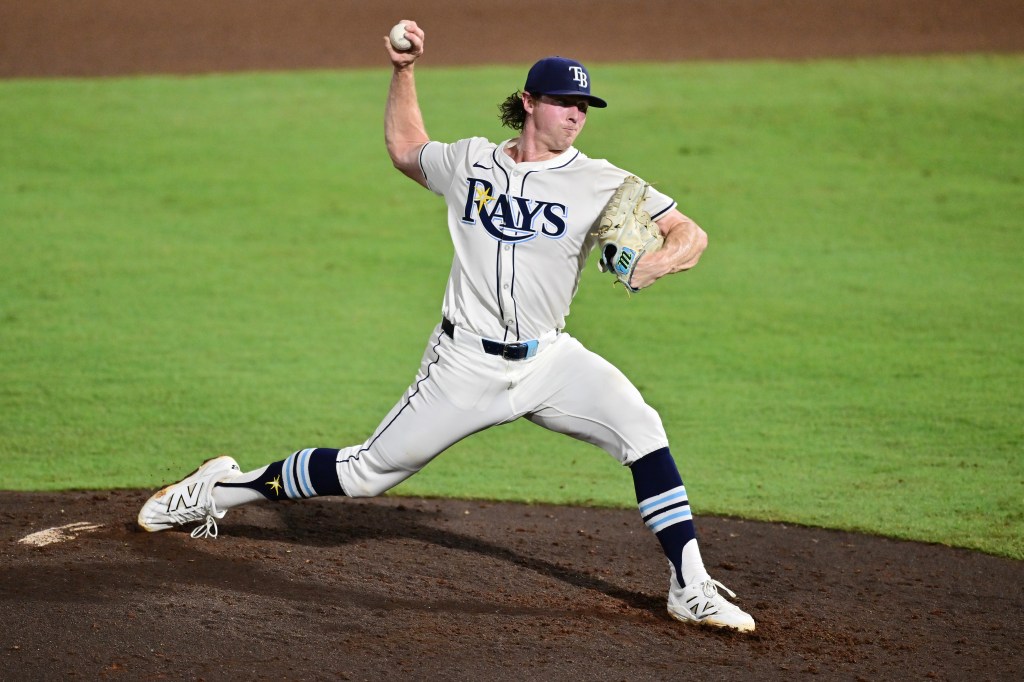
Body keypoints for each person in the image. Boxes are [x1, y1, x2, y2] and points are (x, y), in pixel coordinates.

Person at [138, 20, 755, 633]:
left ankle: (690, 584)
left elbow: (689, 232)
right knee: (365, 473)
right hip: (463, 366)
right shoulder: (469, 162)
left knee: (642, 428)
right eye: (564, 103)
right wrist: (403, 71)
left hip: (549, 362)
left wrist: (656, 262)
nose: (575, 116)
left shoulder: (602, 181)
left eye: (583, 107)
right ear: (528, 103)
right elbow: (406, 148)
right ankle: (219, 490)